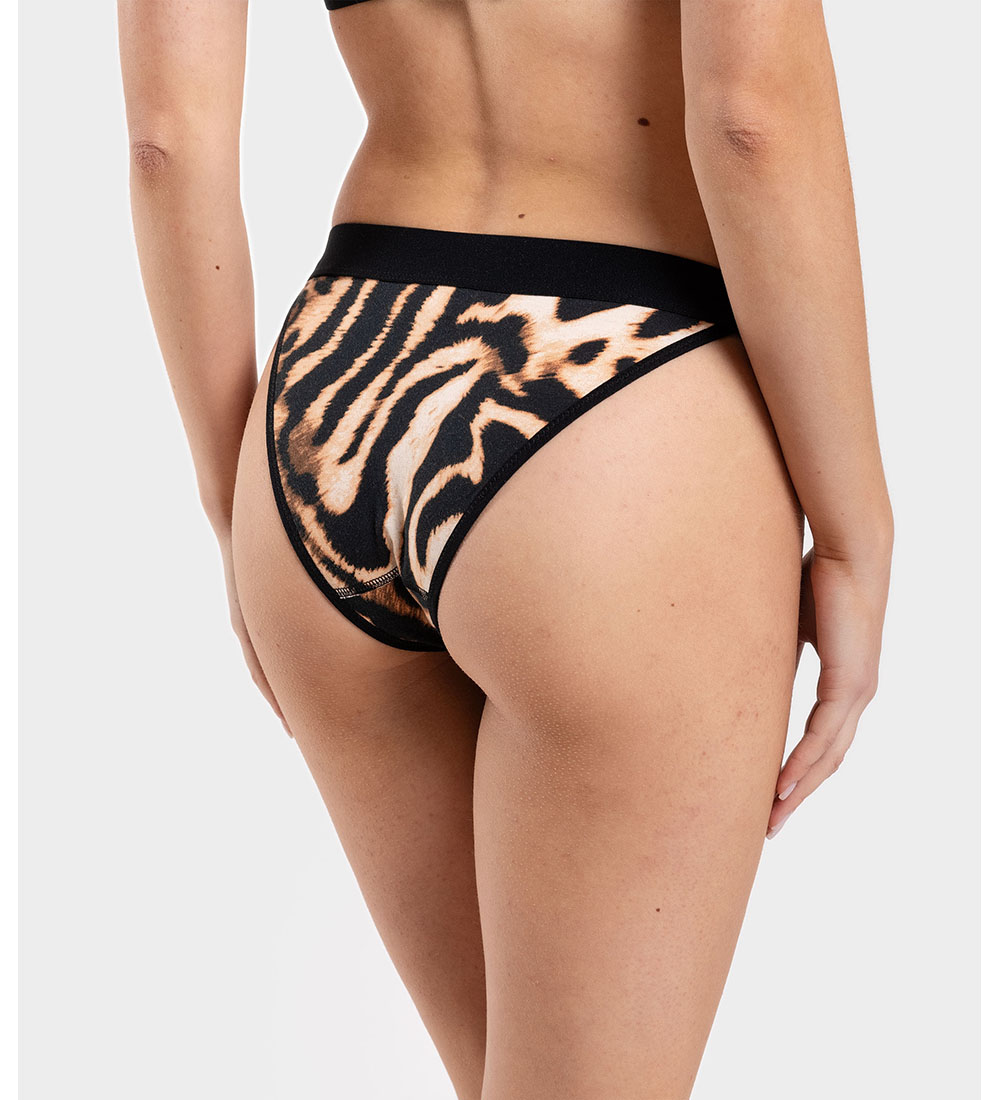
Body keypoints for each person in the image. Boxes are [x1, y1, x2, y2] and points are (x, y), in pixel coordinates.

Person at [118, 1, 893, 1096]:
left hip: (333, 389)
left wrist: (233, 506)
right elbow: (750, 120)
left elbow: (166, 144)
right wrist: (853, 531)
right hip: (614, 376)